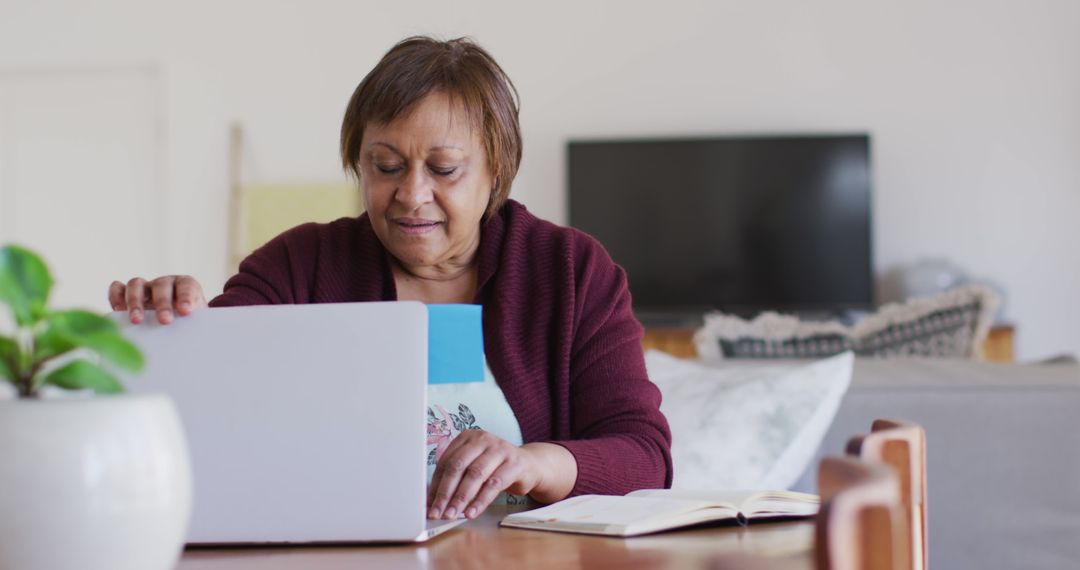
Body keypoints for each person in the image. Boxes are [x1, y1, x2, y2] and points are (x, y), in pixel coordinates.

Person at [108, 36, 672, 521]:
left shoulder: (571, 270)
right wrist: (173, 323)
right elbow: (208, 401)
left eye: (444, 169)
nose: (411, 194)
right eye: (386, 166)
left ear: (497, 168)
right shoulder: (300, 264)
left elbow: (645, 455)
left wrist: (536, 463)